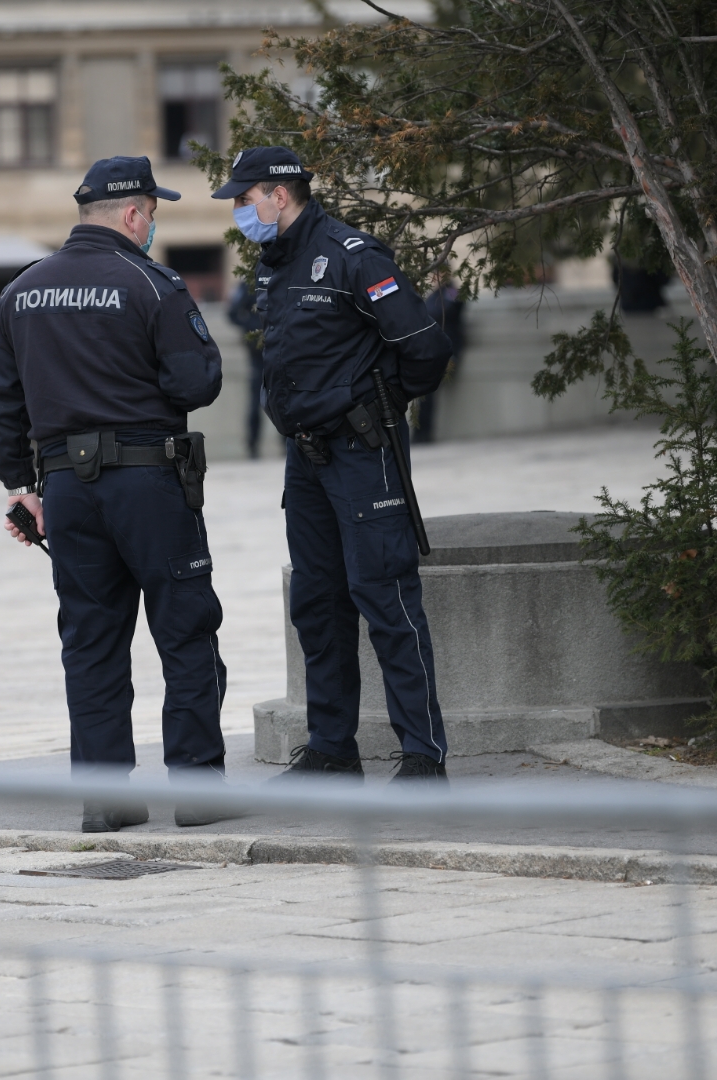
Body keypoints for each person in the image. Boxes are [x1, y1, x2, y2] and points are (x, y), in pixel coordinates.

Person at [0, 156, 238, 833]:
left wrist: (21, 489)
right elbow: (196, 384)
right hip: (148, 480)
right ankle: (199, 789)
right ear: (132, 214)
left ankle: (105, 799)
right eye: (152, 212)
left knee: (90, 641)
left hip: (64, 487)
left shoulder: (22, 291)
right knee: (185, 629)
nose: (152, 225)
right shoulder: (150, 282)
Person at [211, 147, 455, 783]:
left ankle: (425, 758)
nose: (241, 210)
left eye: (246, 197)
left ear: (279, 195)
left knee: (386, 597)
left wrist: (377, 405)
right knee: (317, 603)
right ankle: (331, 750)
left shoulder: (352, 255)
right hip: (307, 458)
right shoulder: (277, 264)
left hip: (360, 451)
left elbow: (424, 347)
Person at [417, 276, 465, 443]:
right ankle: (421, 432)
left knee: (427, 389)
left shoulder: (451, 292)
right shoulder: (434, 295)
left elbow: (440, 312)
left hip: (448, 353)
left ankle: (424, 433)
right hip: (432, 351)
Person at [226, 279, 268, 458]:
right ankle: (253, 445)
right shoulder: (249, 284)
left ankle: (288, 443)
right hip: (257, 352)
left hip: (280, 348)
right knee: (255, 400)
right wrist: (251, 329)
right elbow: (232, 312)